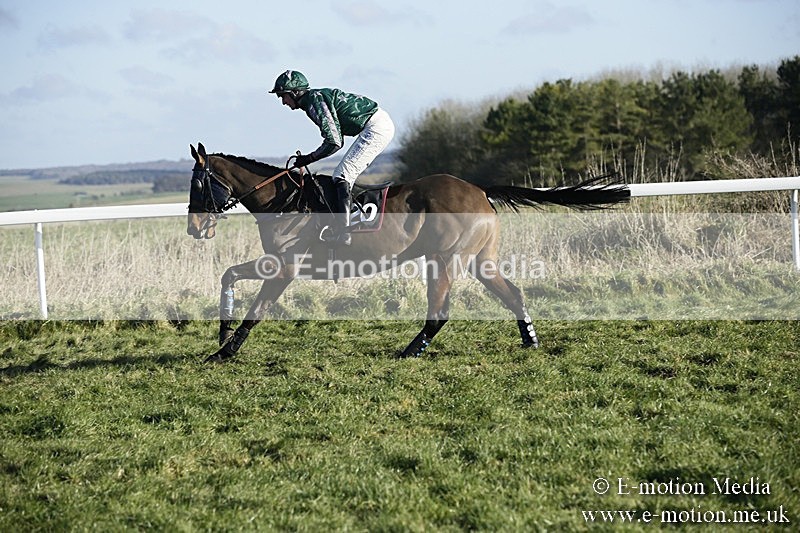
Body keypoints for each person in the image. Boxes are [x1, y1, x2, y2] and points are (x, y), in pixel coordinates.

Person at [269, 70, 395, 246]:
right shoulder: (313, 100)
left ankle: (344, 232)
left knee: (342, 175)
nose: (283, 102)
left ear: (295, 92)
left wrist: (309, 158)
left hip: (376, 127)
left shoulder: (315, 101)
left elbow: (335, 142)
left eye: (283, 96)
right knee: (341, 174)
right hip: (376, 123)